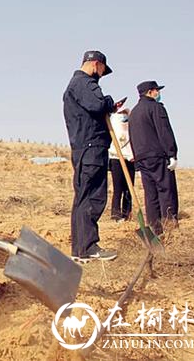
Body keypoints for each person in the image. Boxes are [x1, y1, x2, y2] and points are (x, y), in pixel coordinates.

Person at [63, 50, 123, 263]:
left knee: (83, 197)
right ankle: (88, 247)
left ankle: (80, 249)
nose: (101, 75)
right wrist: (108, 102)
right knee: (93, 197)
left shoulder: (76, 84)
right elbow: (97, 104)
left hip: (84, 147)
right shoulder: (85, 83)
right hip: (91, 148)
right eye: (102, 70)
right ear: (96, 64)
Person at [129, 81, 179, 235]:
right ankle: (170, 229)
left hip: (141, 158)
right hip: (157, 156)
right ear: (150, 92)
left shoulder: (134, 112)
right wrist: (172, 153)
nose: (158, 93)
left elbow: (132, 138)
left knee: (150, 195)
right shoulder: (156, 108)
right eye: (156, 90)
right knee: (166, 191)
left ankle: (155, 230)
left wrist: (137, 164)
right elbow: (164, 131)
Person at [108, 108, 135, 221]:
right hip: (116, 159)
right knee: (118, 188)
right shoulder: (113, 123)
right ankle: (116, 214)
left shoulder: (131, 125)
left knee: (129, 189)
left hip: (130, 159)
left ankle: (127, 214)